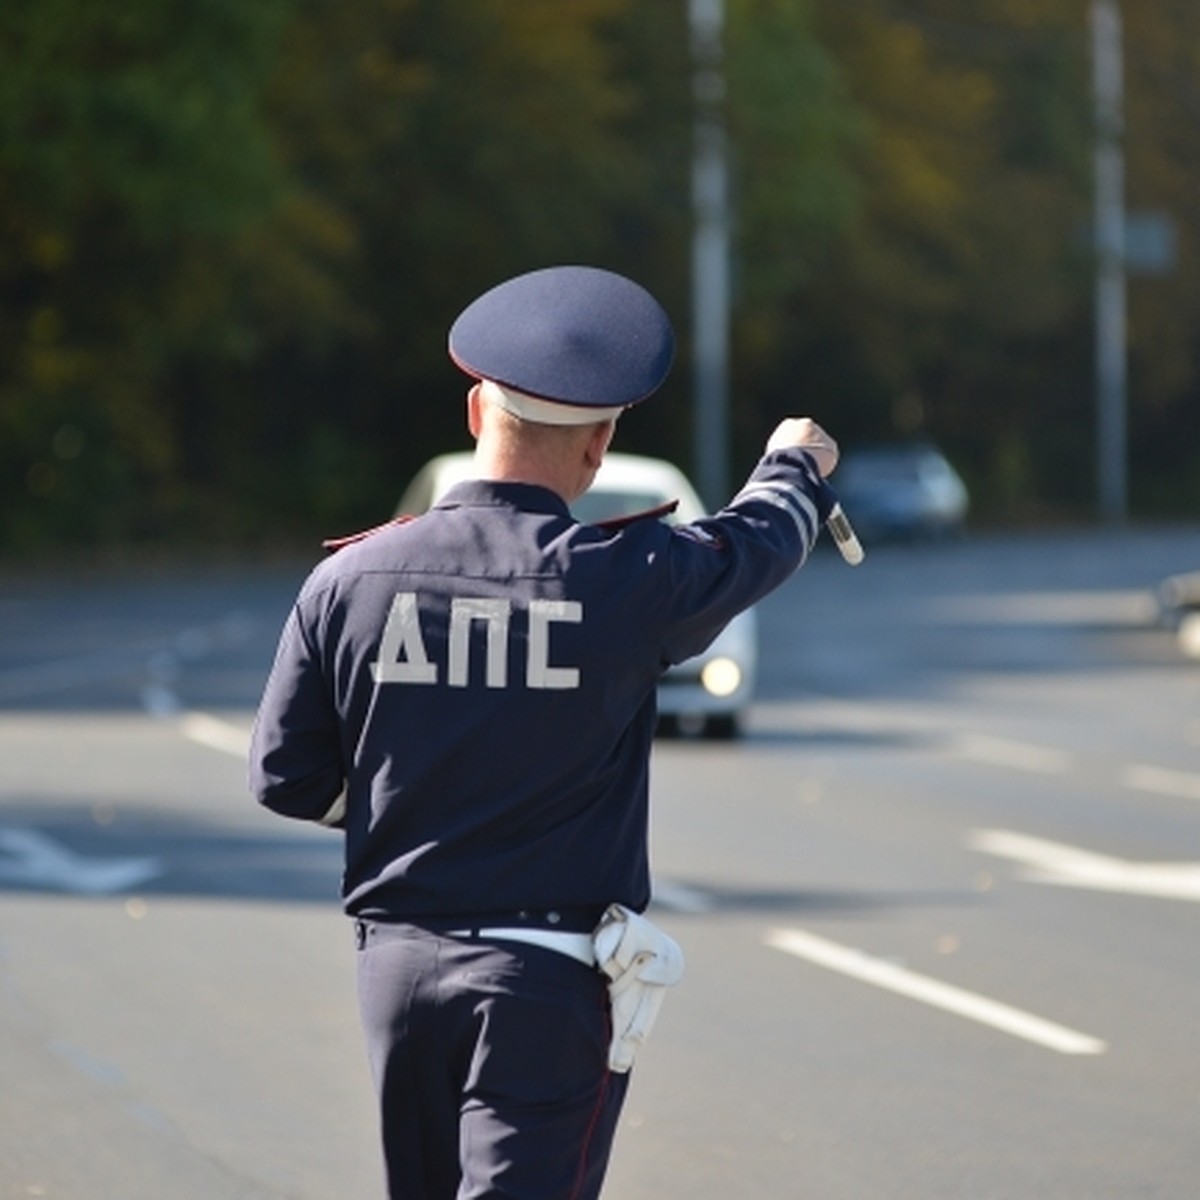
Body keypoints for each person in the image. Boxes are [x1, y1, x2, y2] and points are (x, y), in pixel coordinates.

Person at [248, 264, 841, 1200]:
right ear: (599, 444)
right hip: (545, 978)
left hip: (397, 965)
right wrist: (794, 466)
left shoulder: (351, 579)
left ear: (476, 410)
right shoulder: (622, 580)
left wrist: (425, 806)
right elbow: (753, 546)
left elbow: (284, 775)